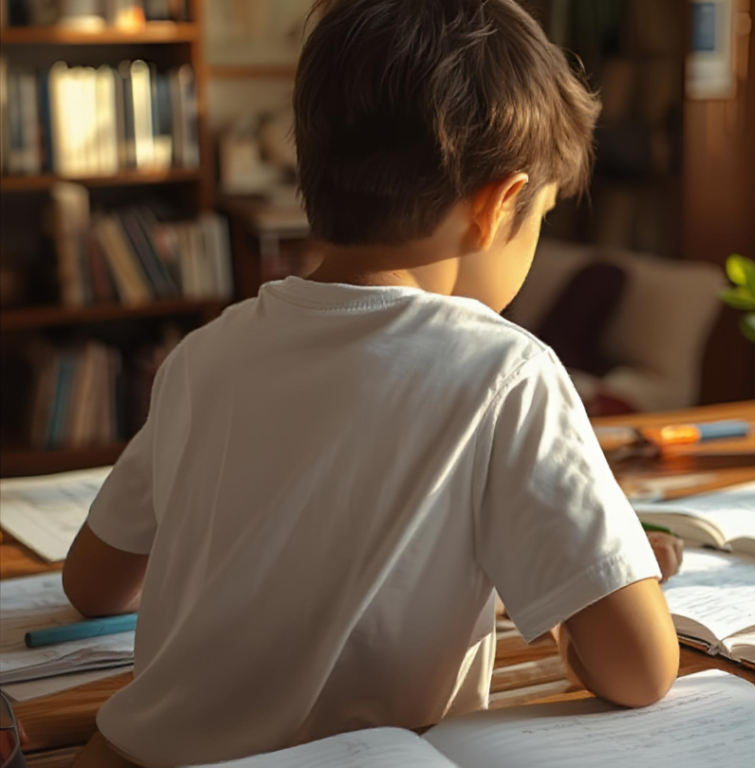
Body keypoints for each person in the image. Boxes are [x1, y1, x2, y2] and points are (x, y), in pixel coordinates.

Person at [63, 1, 683, 765]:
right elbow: (643, 669)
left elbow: (92, 585)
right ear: (494, 206)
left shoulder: (203, 355)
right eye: (542, 215)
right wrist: (574, 593)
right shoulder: (507, 371)